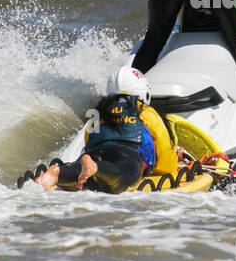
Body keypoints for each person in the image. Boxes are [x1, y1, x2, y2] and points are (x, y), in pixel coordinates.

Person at [32, 67, 177, 193]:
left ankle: (58, 173)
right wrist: (169, 168)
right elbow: (163, 147)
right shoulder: (144, 110)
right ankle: (95, 168)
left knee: (82, 174)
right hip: (127, 154)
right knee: (121, 175)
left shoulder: (100, 111)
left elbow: (88, 138)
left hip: (94, 152)